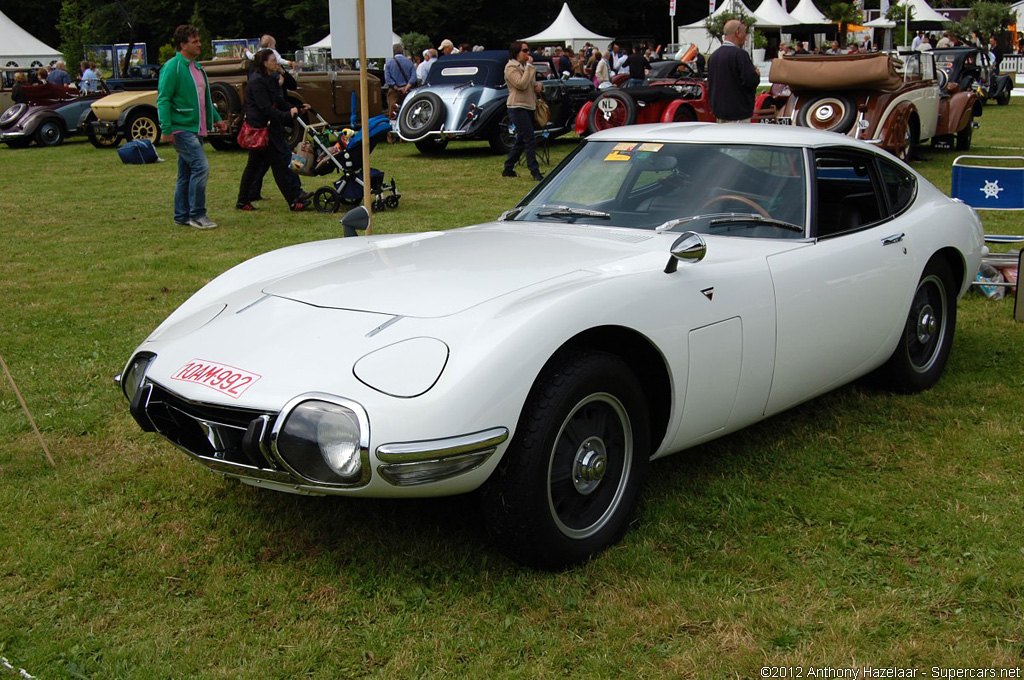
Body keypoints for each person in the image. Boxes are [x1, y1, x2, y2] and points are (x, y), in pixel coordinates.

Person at [157, 24, 229, 229]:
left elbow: (203, 99)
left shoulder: (197, 67)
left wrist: (216, 118)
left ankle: (181, 215)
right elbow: (163, 99)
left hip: (196, 128)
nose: (199, 44)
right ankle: (197, 215)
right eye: (194, 41)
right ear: (183, 45)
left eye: (199, 40)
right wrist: (166, 128)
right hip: (182, 128)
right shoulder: (173, 67)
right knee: (201, 167)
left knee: (186, 173)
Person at [236, 49, 313, 212]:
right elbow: (266, 108)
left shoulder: (268, 79)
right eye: (272, 60)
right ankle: (293, 200)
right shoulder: (257, 81)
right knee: (280, 163)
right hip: (262, 128)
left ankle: (243, 200)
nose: (276, 63)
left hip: (270, 127)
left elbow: (278, 100)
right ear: (264, 62)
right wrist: (287, 115)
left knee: (256, 165)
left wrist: (296, 107)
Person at [502, 41, 543, 182]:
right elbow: (520, 84)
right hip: (517, 106)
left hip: (529, 105)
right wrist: (530, 68)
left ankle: (508, 168)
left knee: (521, 140)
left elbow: (530, 84)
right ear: (516, 52)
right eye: (524, 50)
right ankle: (535, 171)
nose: (528, 53)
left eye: (528, 50)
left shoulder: (525, 67)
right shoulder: (510, 67)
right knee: (529, 139)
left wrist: (538, 85)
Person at [707, 20, 760, 123]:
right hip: (738, 114)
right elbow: (750, 81)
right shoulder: (741, 55)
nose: (746, 37)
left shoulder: (713, 56)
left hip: (719, 113)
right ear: (737, 33)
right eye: (745, 33)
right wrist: (756, 75)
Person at [384, 43, 417, 115]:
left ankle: (393, 124)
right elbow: (414, 77)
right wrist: (406, 87)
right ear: (402, 51)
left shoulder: (389, 63)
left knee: (392, 111)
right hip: (407, 91)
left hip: (394, 91)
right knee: (407, 111)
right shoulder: (410, 62)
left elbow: (388, 79)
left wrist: (396, 88)